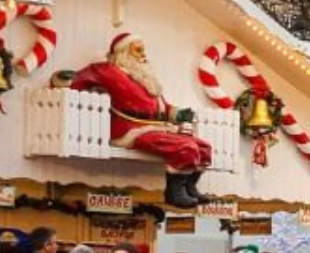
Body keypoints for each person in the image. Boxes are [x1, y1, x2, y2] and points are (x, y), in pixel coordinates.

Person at [69, 34, 214, 207]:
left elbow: (161, 107)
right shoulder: (107, 71)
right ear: (122, 52)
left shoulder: (143, 78)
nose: (142, 54)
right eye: (137, 49)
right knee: (185, 147)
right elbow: (77, 79)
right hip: (129, 129)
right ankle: (174, 192)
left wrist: (178, 114)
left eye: (143, 49)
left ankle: (189, 187)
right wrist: (67, 82)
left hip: (154, 127)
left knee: (204, 147)